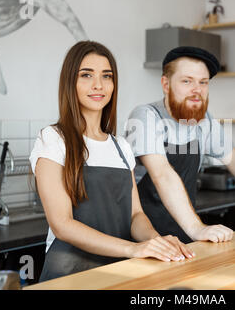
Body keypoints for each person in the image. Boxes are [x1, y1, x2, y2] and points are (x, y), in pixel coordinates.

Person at [29, 41, 194, 282]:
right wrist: (133, 249)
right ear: (70, 82)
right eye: (86, 75)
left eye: (107, 76)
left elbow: (135, 215)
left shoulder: (121, 147)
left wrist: (155, 241)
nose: (98, 85)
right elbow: (62, 224)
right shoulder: (53, 139)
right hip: (68, 276)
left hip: (117, 272)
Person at [125, 46, 235, 244]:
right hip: (142, 236)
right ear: (166, 84)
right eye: (187, 81)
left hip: (182, 232)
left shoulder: (203, 122)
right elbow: (162, 174)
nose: (197, 90)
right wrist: (198, 228)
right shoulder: (146, 116)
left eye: (203, 82)